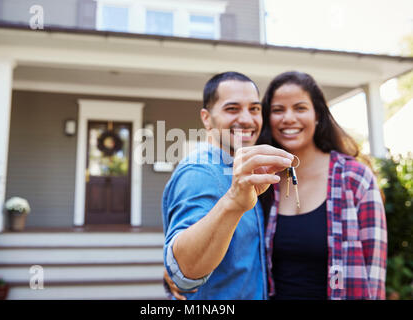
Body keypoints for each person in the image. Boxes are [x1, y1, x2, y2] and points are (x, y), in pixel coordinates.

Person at [166, 71, 387, 300]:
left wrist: (179, 267)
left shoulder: (354, 178)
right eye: (278, 110)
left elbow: (374, 270)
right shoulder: (259, 177)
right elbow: (193, 253)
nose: (288, 118)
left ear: (318, 114)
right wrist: (178, 266)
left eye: (300, 108)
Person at [161, 71, 294, 299]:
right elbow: (182, 273)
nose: (246, 119)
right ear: (206, 118)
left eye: (254, 109)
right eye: (232, 109)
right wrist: (232, 202)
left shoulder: (242, 169)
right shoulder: (200, 172)